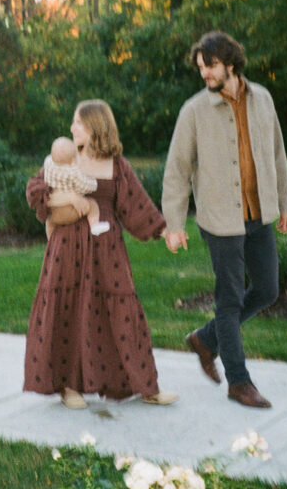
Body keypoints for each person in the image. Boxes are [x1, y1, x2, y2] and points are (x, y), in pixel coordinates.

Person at [162, 30, 287, 409]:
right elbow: (177, 169)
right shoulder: (194, 111)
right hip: (219, 220)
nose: (204, 74)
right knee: (230, 299)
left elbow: (278, 153)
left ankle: (206, 339)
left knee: (267, 288)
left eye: (211, 66)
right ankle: (239, 381)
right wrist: (174, 223)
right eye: (201, 68)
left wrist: (284, 201)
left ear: (231, 64)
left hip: (258, 214)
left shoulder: (263, 100)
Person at [24, 99, 179, 409]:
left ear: (95, 127)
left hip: (107, 250)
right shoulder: (64, 160)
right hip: (66, 250)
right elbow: (34, 189)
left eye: (77, 123)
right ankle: (70, 386)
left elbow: (136, 204)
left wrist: (165, 231)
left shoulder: (117, 165)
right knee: (69, 311)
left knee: (123, 311)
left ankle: (146, 385)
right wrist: (66, 195)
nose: (71, 129)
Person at [42, 136, 111, 239]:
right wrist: (94, 183)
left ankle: (50, 239)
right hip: (71, 209)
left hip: (53, 212)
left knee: (49, 221)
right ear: (72, 160)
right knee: (92, 205)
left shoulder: (48, 163)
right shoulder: (74, 173)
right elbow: (85, 186)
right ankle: (95, 225)